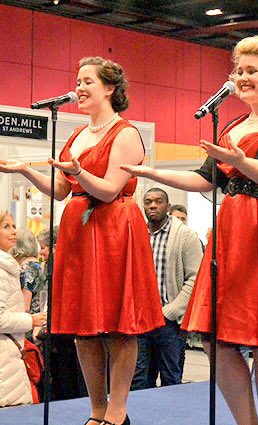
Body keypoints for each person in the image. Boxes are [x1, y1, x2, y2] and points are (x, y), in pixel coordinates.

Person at [121, 36, 258, 425]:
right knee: (215, 339)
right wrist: (151, 173)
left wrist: (241, 161)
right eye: (238, 70)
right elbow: (204, 179)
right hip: (233, 231)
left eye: (252, 71)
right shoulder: (233, 124)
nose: (242, 77)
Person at [0, 57, 164, 425]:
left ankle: (117, 412)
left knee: (119, 327)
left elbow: (108, 190)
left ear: (109, 88)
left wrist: (79, 171)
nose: (80, 88)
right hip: (79, 230)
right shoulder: (76, 134)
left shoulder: (125, 133)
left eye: (88, 81)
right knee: (82, 330)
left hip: (114, 229)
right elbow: (61, 190)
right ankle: (97, 410)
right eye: (78, 81)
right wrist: (27, 170)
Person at [131, 188, 203, 390]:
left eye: (158, 201)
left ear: (168, 206)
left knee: (171, 380)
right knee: (138, 380)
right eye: (148, 202)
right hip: (141, 320)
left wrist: (170, 312)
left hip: (170, 322)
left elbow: (196, 279)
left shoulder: (186, 236)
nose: (153, 206)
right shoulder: (136, 234)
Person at [0, 210, 47, 407]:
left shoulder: (9, 266)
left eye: (13, 226)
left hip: (10, 350)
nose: (14, 232)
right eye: (6, 227)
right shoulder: (3, 270)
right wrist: (30, 320)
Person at [10, 229, 45, 315]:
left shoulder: (27, 268)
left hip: (27, 319)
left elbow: (25, 305)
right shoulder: (37, 266)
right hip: (37, 316)